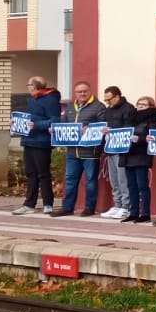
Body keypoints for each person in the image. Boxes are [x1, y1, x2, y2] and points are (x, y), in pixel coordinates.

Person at [53, 81, 103, 216]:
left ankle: (89, 208)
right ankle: (67, 208)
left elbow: (104, 125)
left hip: (90, 151)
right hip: (72, 151)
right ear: (75, 93)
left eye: (85, 91)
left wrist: (91, 128)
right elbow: (63, 124)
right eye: (79, 92)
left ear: (90, 91)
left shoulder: (98, 106)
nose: (82, 94)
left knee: (90, 181)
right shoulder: (70, 107)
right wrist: (55, 130)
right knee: (70, 180)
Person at [14, 75, 61, 215]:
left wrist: (37, 125)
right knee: (31, 174)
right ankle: (29, 204)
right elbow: (30, 118)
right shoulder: (32, 100)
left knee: (43, 173)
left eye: (29, 85)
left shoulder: (50, 100)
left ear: (34, 86)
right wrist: (17, 124)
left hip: (42, 142)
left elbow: (54, 121)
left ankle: (48, 203)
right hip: (29, 140)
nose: (28, 88)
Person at [121, 94, 156, 223]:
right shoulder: (131, 117)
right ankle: (133, 212)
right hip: (128, 154)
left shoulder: (153, 118)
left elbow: (153, 136)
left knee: (142, 185)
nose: (140, 108)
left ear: (150, 106)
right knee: (131, 186)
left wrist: (140, 139)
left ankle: (145, 213)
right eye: (138, 105)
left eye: (143, 105)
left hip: (141, 155)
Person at [99, 86, 138, 219]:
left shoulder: (128, 109)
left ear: (117, 97)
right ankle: (117, 204)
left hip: (122, 149)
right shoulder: (108, 110)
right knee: (114, 179)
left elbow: (129, 128)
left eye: (109, 99)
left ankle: (126, 207)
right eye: (105, 100)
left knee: (123, 179)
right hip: (110, 148)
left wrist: (112, 130)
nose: (107, 102)